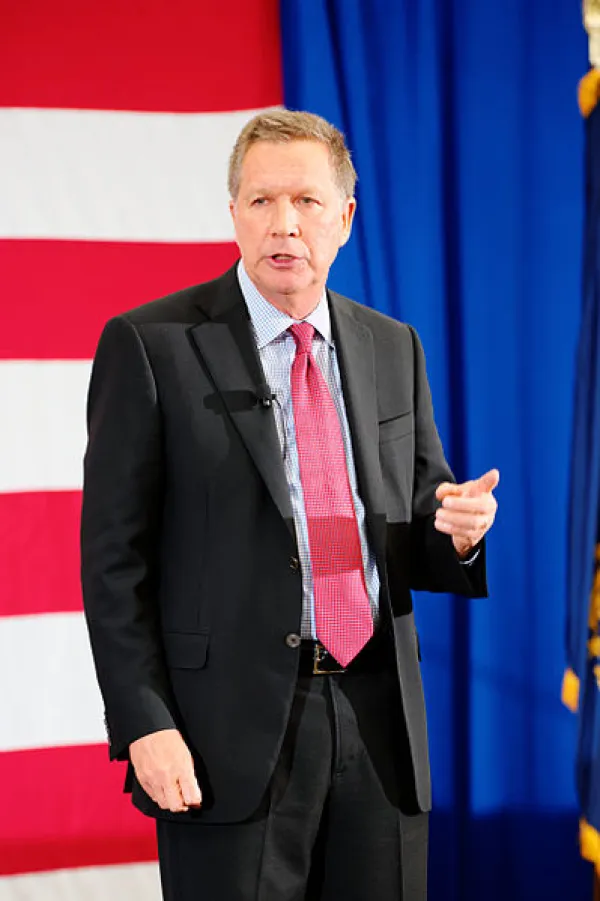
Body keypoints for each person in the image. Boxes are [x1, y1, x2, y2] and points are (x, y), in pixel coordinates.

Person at [81, 109, 498, 901]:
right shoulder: (152, 344)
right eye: (262, 200)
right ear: (233, 212)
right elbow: (112, 563)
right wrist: (143, 721)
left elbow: (418, 519)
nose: (285, 224)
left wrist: (458, 534)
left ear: (344, 217)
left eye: (306, 201)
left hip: (378, 720)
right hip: (225, 733)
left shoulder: (392, 345)